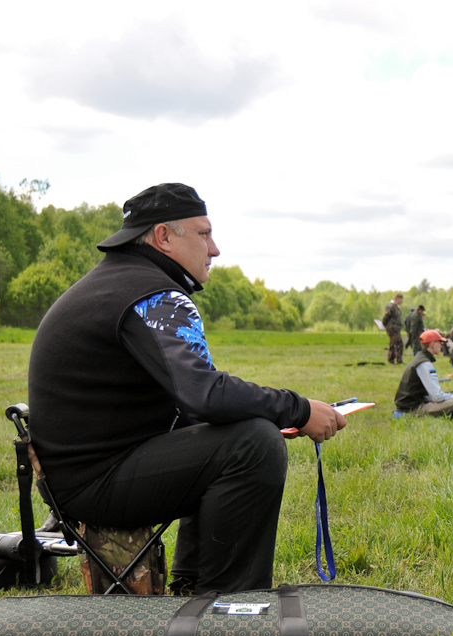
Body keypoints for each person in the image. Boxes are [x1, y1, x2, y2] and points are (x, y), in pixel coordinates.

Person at [27, 183, 345, 596]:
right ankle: (228, 605)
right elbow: (205, 393)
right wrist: (299, 410)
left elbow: (199, 401)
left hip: (78, 476)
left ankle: (194, 585)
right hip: (93, 484)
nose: (214, 249)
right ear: (163, 237)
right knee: (253, 444)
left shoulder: (125, 282)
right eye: (203, 233)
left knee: (238, 430)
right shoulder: (153, 294)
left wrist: (269, 412)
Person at [393, 329, 453, 418]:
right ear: (433, 344)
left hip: (410, 405)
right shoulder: (425, 364)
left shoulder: (419, 358)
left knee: (452, 397)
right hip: (412, 409)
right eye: (439, 343)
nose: (441, 346)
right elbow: (437, 396)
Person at [382, 293, 405, 364]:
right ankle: (399, 360)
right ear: (397, 299)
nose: (402, 301)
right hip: (392, 328)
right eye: (401, 299)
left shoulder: (396, 307)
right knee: (399, 343)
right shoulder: (391, 306)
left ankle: (391, 359)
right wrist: (386, 325)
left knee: (393, 344)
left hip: (395, 328)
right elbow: (385, 317)